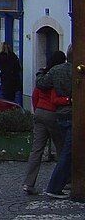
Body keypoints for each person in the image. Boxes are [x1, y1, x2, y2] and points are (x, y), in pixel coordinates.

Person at [22, 50, 68, 195]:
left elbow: (35, 95)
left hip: (40, 112)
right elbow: (56, 98)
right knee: (62, 148)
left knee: (36, 150)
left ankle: (28, 183)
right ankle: (65, 181)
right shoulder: (57, 76)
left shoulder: (43, 76)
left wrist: (37, 111)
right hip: (53, 113)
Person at [37, 44, 73, 199]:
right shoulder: (77, 71)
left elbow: (41, 84)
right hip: (73, 114)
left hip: (61, 114)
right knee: (67, 152)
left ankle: (66, 182)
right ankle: (55, 186)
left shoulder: (56, 70)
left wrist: (39, 72)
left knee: (66, 150)